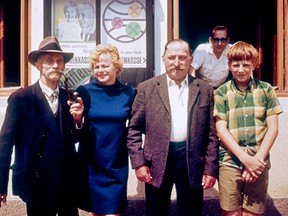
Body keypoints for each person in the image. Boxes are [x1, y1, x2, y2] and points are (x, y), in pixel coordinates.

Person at [126, 39, 219, 215]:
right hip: (157, 159)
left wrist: (210, 168)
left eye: (182, 57)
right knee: (156, 210)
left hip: (191, 158)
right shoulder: (147, 88)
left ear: (191, 59)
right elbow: (134, 129)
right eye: (172, 57)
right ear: (163, 59)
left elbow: (211, 134)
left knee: (191, 210)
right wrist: (138, 163)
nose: (177, 63)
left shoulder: (204, 89)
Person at [0, 36, 84, 216]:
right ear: (38, 65)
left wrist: (78, 122)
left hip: (66, 181)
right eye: (49, 61)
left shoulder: (70, 98)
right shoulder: (21, 98)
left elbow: (73, 140)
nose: (55, 65)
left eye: (59, 61)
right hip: (35, 180)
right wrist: (1, 184)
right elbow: (5, 145)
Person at [214, 41, 283, 216]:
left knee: (253, 213)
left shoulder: (266, 90)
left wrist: (256, 161)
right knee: (232, 212)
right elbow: (221, 129)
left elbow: (273, 128)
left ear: (254, 64)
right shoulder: (221, 92)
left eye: (246, 64)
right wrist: (245, 159)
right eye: (236, 65)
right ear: (229, 65)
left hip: (259, 161)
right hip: (230, 162)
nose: (241, 69)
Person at [76, 44, 136, 216]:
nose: (100, 70)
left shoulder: (128, 93)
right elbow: (76, 129)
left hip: (116, 164)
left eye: (105, 65)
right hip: (91, 164)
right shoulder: (84, 92)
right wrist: (78, 120)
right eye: (97, 66)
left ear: (117, 67)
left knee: (112, 212)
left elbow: (135, 128)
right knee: (96, 212)